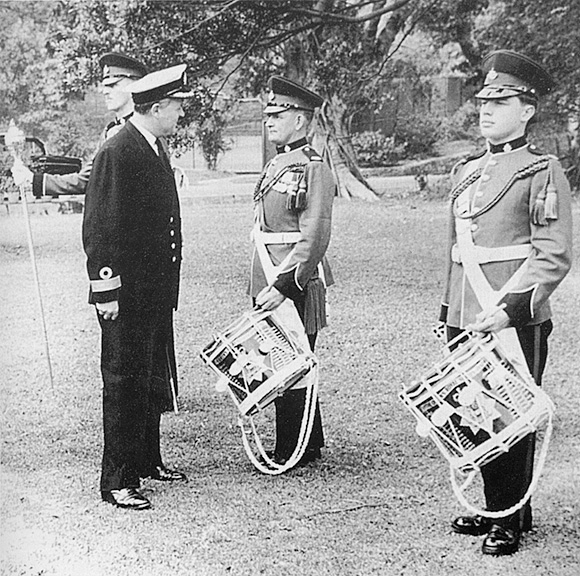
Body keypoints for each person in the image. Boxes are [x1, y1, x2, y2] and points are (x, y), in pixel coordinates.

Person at [439, 50, 573, 555]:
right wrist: (446, 312)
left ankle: (509, 519)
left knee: (510, 414)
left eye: (502, 102)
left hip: (512, 315)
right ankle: (494, 505)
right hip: (467, 310)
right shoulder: (466, 172)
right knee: (474, 409)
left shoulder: (541, 171)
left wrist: (512, 308)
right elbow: (454, 254)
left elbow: (553, 255)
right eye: (483, 104)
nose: (487, 112)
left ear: (528, 110)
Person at [83, 63, 194, 510]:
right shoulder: (119, 150)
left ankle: (148, 461)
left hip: (152, 293)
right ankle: (118, 479)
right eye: (176, 107)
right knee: (125, 382)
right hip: (126, 295)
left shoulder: (150, 145)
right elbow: (101, 229)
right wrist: (106, 291)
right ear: (157, 107)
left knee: (148, 381)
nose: (181, 114)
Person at [250, 76, 335, 470]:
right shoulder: (278, 162)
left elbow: (315, 232)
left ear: (301, 120)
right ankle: (307, 438)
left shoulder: (313, 167)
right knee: (282, 356)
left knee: (294, 359)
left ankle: (293, 445)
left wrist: (286, 283)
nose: (270, 120)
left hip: (293, 278)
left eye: (278, 114)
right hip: (268, 273)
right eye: (268, 113)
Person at [10, 52, 147, 197]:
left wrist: (34, 181)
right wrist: (34, 179)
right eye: (104, 86)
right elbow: (90, 175)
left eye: (113, 85)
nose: (105, 92)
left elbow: (90, 180)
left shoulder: (142, 130)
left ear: (135, 84)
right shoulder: (111, 130)